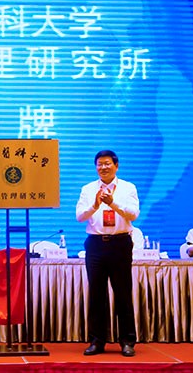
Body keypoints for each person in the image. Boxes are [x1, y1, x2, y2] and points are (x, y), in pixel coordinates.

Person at [76, 149, 139, 357]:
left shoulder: (128, 188)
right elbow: (79, 216)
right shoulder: (88, 189)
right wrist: (95, 204)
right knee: (96, 295)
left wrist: (113, 203)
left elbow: (133, 214)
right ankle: (97, 341)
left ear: (116, 166)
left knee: (123, 294)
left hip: (120, 243)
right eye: (99, 164)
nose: (103, 167)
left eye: (107, 163)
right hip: (95, 244)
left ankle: (127, 341)